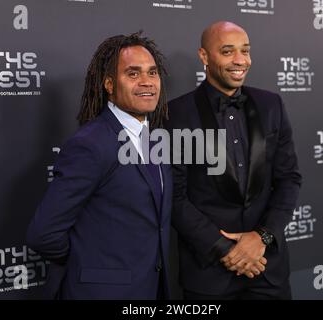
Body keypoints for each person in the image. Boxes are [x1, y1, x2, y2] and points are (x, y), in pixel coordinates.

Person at [26, 32, 172, 300]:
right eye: (133, 74)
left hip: (152, 289)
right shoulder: (90, 144)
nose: (146, 82)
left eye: (152, 73)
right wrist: (89, 258)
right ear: (108, 84)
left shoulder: (154, 139)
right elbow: (44, 233)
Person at [165, 21, 302, 300]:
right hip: (208, 274)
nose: (240, 60)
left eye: (245, 51)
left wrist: (261, 238)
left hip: (267, 269)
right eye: (228, 52)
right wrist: (225, 250)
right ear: (204, 56)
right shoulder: (176, 114)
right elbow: (174, 196)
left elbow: (289, 179)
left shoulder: (271, 105)